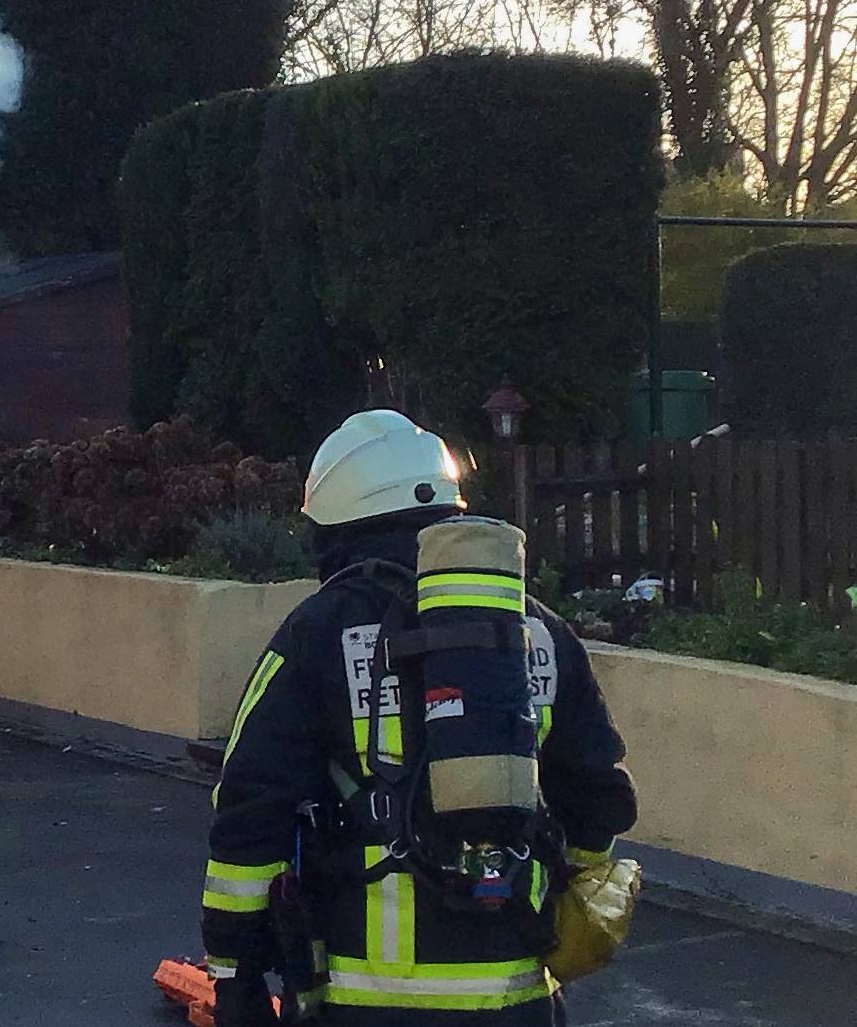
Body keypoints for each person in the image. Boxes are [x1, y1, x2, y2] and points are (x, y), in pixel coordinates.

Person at [202, 410, 637, 1026]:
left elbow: (249, 811)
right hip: (514, 997)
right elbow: (600, 797)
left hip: (368, 998)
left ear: (338, 526)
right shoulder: (536, 630)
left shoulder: (318, 632)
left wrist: (234, 973)